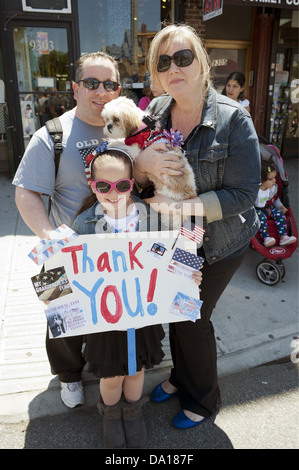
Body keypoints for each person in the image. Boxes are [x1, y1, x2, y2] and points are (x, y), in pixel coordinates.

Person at [133, 24, 261, 429]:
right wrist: (141, 166)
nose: (174, 67)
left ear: (202, 64)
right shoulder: (154, 112)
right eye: (164, 60)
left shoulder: (233, 120)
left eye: (183, 57)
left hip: (221, 240)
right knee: (175, 310)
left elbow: (243, 194)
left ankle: (204, 400)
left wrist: (183, 207)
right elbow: (135, 170)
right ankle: (178, 377)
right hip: (173, 240)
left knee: (193, 317)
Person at [71, 142, 203, 447]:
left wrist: (190, 273)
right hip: (105, 321)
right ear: (92, 184)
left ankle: (132, 414)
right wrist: (54, 294)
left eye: (122, 184)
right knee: (111, 376)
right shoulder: (83, 223)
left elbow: (179, 244)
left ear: (133, 183)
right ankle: (111, 416)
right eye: (103, 185)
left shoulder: (152, 214)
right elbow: (65, 265)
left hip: (143, 314)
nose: (113, 192)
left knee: (137, 370)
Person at [12, 51, 121, 409]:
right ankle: (69, 375)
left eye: (109, 84)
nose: (101, 91)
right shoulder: (52, 135)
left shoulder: (129, 128)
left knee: (109, 314)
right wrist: (48, 235)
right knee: (60, 319)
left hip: (117, 251)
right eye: (91, 83)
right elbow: (26, 192)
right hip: (64, 249)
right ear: (75, 88)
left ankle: (99, 365)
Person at [255, 161, 297, 247]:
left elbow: (275, 199)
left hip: (268, 209)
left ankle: (283, 237)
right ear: (260, 180)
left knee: (279, 213)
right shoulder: (254, 191)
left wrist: (280, 206)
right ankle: (266, 238)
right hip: (256, 211)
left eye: (275, 177)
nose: (274, 180)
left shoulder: (272, 189)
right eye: (270, 179)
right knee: (261, 216)